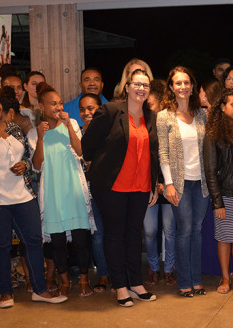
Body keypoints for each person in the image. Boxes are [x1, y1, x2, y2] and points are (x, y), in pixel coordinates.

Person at [0, 87, 67, 308]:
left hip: (24, 197)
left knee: (34, 243)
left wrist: (24, 165)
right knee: (2, 247)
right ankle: (5, 293)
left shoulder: (13, 128)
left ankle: (39, 290)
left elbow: (29, 158)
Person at [82, 69, 159, 307]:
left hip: (141, 185)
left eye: (145, 85)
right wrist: (105, 166)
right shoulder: (110, 111)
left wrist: (155, 183)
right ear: (126, 87)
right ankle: (120, 286)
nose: (141, 89)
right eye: (136, 84)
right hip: (111, 186)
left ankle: (136, 283)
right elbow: (88, 147)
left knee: (134, 235)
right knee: (114, 235)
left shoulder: (151, 116)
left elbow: (153, 153)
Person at [28, 83, 94, 298]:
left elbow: (82, 152)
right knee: (56, 242)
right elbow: (37, 166)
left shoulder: (72, 123)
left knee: (80, 239)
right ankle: (64, 281)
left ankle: (84, 279)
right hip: (53, 192)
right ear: (41, 107)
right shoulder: (35, 132)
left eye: (60, 103)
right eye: (52, 103)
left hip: (73, 188)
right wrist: (40, 137)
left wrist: (67, 126)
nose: (57, 106)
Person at [157, 66, 210, 297]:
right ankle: (184, 282)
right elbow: (163, 152)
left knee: (197, 231)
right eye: (178, 83)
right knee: (184, 230)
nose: (182, 87)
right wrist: (168, 183)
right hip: (179, 183)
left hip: (201, 182)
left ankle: (197, 280)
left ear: (192, 86)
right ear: (171, 87)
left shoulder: (202, 115)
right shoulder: (164, 116)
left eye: (186, 82)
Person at [203, 88, 233, 295]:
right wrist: (217, 202)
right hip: (224, 194)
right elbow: (210, 171)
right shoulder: (213, 134)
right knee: (223, 238)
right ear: (222, 107)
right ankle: (225, 278)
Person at [142, 80, 176, 286]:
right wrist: (153, 183)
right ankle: (154, 267)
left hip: (170, 185)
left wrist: (167, 183)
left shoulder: (170, 122)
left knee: (170, 230)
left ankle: (169, 269)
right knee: (149, 230)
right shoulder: (142, 124)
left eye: (152, 104)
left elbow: (173, 157)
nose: (151, 109)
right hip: (149, 185)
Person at [77, 93, 111, 292]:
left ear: (100, 108)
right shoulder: (76, 132)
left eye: (91, 108)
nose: (86, 112)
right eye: (82, 109)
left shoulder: (109, 131)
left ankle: (118, 274)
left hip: (107, 189)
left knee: (113, 233)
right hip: (85, 192)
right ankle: (103, 275)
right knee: (97, 235)